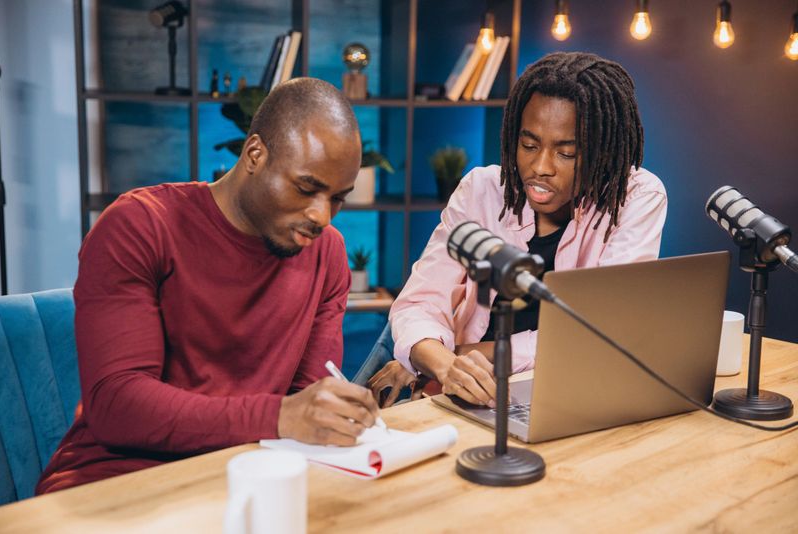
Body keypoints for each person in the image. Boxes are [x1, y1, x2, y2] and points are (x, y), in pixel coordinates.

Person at [37, 78, 382, 494]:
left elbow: (305, 399)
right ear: (255, 154)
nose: (322, 216)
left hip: (248, 474)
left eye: (338, 198)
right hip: (118, 479)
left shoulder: (327, 253)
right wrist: (281, 416)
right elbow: (117, 406)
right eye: (306, 188)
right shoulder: (139, 226)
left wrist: (324, 413)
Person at [367, 52, 667, 408]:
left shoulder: (635, 198)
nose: (540, 167)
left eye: (566, 153)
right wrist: (443, 365)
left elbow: (600, 331)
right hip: (459, 393)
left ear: (602, 153)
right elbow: (421, 301)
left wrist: (459, 355)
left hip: (566, 393)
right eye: (528, 145)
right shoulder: (482, 190)